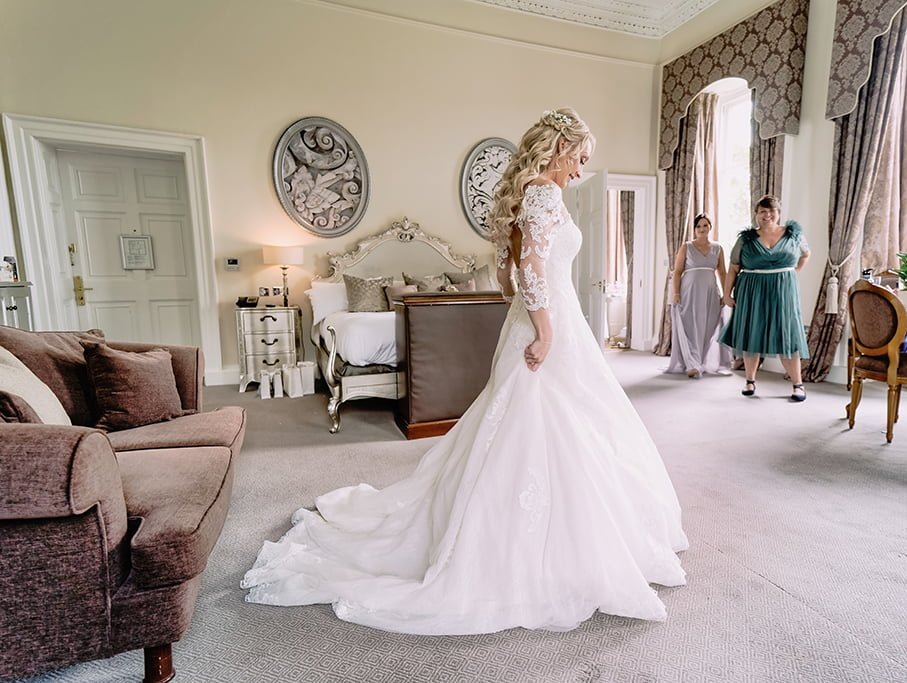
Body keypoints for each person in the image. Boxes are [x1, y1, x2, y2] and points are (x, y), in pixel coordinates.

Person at [242, 108, 688, 635]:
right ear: (559, 147)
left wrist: (531, 313)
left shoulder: (524, 197)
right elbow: (533, 270)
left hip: (532, 317)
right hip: (549, 321)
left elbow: (506, 276)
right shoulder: (544, 193)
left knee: (541, 420)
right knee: (543, 420)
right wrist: (546, 330)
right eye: (580, 156)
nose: (582, 168)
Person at [719, 195, 810, 401]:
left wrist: (792, 273)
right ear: (756, 214)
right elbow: (733, 268)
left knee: (787, 335)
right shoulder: (745, 239)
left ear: (778, 213)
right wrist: (726, 294)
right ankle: (750, 381)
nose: (767, 215)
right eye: (762, 211)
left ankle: (798, 384)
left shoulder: (792, 234)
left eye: (772, 211)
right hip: (752, 291)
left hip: (783, 292)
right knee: (753, 334)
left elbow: (806, 254)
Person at [666, 213, 732, 378]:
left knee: (708, 326)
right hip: (689, 292)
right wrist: (676, 292)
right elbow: (677, 272)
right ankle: (691, 364)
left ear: (710, 227)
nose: (702, 229)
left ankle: (700, 360)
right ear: (694, 229)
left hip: (710, 293)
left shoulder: (718, 248)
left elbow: (722, 273)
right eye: (698, 226)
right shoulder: (686, 247)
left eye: (705, 225)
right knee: (690, 326)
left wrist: (725, 294)